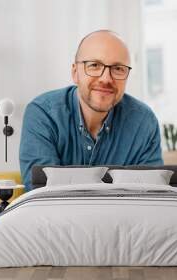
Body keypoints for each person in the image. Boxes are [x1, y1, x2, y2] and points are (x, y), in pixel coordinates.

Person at [19, 30, 163, 191]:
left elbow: (150, 197)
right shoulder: (43, 115)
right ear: (75, 73)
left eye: (118, 68)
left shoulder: (144, 123)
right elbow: (42, 196)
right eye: (94, 65)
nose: (106, 79)